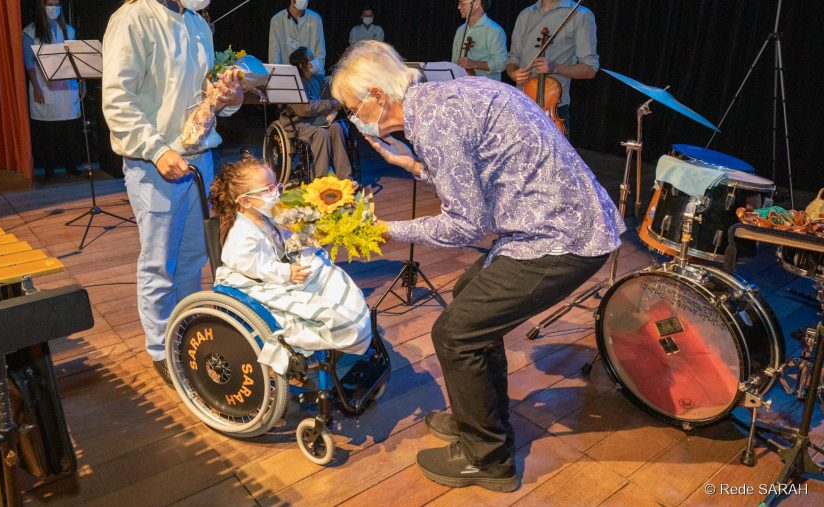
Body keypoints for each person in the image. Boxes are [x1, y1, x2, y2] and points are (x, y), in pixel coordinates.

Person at [330, 40, 622, 493]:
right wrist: (412, 164)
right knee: (469, 298)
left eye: (353, 106)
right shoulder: (446, 97)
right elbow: (477, 178)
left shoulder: (433, 122)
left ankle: (488, 459)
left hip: (563, 238)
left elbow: (465, 224)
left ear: (376, 96)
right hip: (558, 222)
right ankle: (477, 418)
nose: (354, 116)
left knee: (455, 332)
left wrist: (386, 230)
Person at [102, 0, 244, 388]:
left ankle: (186, 332)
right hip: (155, 165)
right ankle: (161, 348)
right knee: (159, 262)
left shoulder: (199, 25)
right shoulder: (133, 19)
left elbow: (204, 96)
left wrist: (227, 96)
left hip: (198, 159)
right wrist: (156, 149)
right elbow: (118, 101)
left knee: (191, 261)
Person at [208, 156, 370, 374]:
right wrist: (285, 272)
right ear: (245, 201)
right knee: (314, 290)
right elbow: (255, 267)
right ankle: (335, 323)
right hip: (252, 281)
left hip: (273, 272)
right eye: (267, 189)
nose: (275, 193)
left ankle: (345, 306)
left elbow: (284, 235)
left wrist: (302, 239)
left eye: (276, 185)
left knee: (318, 262)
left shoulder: (264, 216)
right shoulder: (242, 235)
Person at [505, 0, 598, 140]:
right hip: (521, 104)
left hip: (554, 109)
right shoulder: (525, 15)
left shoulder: (580, 15)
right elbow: (512, 58)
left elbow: (590, 69)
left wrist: (555, 67)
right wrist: (513, 72)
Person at [22, 0, 83, 178]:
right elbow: (28, 62)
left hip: (67, 87)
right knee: (48, 131)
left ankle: (71, 165)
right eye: (50, 4)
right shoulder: (30, 31)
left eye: (57, 4)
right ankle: (48, 168)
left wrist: (81, 83)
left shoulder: (68, 30)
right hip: (44, 86)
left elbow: (77, 61)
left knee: (69, 128)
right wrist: (36, 87)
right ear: (41, 6)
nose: (54, 8)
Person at [284, 47, 353, 180]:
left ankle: (345, 178)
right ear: (302, 64)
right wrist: (331, 104)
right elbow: (303, 109)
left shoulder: (318, 79)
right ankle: (320, 180)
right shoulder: (294, 83)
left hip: (319, 120)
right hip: (300, 123)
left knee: (337, 128)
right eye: (311, 59)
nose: (315, 61)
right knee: (322, 134)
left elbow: (331, 98)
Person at [451, 0, 507, 82]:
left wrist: (474, 64)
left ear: (476, 3)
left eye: (462, 3)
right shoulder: (460, 30)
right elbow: (454, 63)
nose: (458, 7)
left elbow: (501, 63)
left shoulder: (495, 31)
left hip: (487, 91)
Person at [267, 0, 326, 71]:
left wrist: (310, 72)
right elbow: (274, 55)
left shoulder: (315, 19)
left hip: (311, 76)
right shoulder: (277, 20)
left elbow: (320, 54)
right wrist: (276, 77)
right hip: (287, 77)